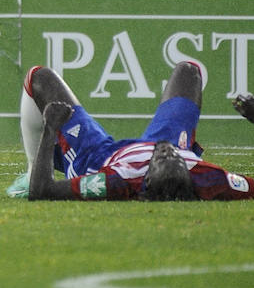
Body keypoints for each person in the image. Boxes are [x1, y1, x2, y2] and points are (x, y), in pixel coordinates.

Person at [14, 62, 254, 201]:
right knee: (188, 71)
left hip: (100, 156)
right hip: (172, 138)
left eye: (161, 159)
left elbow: (43, 191)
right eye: (175, 158)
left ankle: (32, 168)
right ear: (189, 170)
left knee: (39, 78)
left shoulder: (117, 181)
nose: (166, 152)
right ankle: (180, 150)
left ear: (147, 177)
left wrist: (50, 128)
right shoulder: (208, 178)